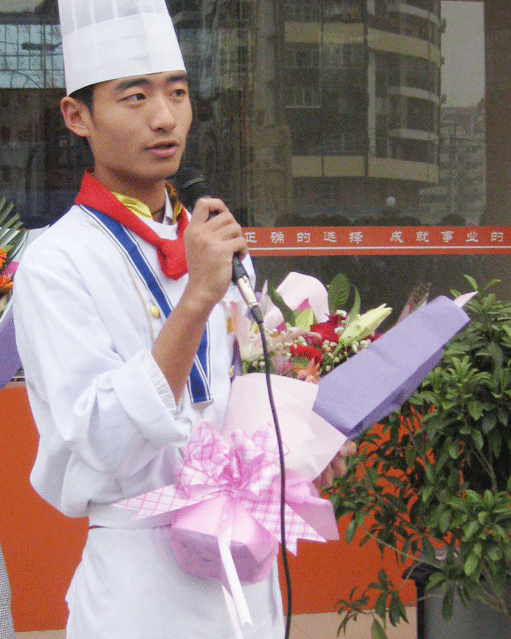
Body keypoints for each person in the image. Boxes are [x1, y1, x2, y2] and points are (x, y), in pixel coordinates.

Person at [14, 1, 353, 637]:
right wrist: (196, 299)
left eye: (177, 92)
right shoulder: (56, 263)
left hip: (246, 570)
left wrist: (299, 446)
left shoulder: (214, 241)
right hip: (140, 584)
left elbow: (243, 398)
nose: (165, 117)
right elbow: (99, 439)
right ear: (77, 116)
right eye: (135, 96)